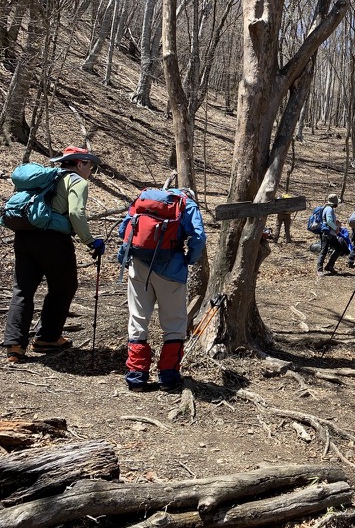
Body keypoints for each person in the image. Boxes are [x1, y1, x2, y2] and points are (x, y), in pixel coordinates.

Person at [4, 147, 105, 363]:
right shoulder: (77, 181)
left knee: (22, 289)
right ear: (80, 164)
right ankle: (47, 338)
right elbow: (76, 213)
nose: (91, 171)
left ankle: (14, 346)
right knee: (64, 286)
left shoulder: (47, 178)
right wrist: (90, 241)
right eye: (90, 166)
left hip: (24, 235)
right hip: (53, 240)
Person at [119, 188, 206, 392]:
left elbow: (125, 230)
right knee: (174, 322)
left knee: (138, 318)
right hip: (172, 269)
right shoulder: (187, 204)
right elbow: (199, 238)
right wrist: (189, 260)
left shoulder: (144, 199)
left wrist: (123, 258)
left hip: (138, 266)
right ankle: (168, 377)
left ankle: (136, 376)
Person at [317, 194, 341, 276]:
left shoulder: (328, 209)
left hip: (331, 234)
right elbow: (329, 221)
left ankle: (329, 266)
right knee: (324, 250)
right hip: (327, 233)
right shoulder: (329, 209)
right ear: (334, 203)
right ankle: (319, 269)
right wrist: (336, 228)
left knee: (339, 248)